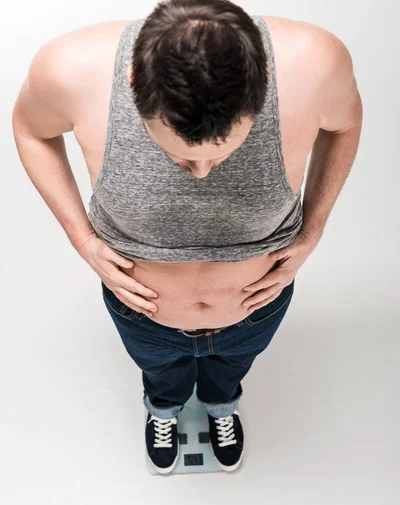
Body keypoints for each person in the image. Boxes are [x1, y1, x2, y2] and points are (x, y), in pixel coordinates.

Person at [12, 0, 363, 476]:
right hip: (141, 313)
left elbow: (345, 124)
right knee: (161, 377)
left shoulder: (316, 63)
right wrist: (83, 239)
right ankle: (162, 409)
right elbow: (30, 130)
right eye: (179, 157)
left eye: (219, 157)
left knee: (230, 374)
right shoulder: (69, 68)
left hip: (258, 308)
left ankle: (223, 406)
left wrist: (314, 228)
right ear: (135, 81)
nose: (200, 174)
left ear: (263, 78)